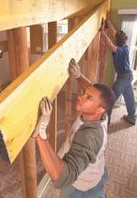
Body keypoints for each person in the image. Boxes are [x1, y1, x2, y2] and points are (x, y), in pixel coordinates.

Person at [33, 59, 116, 198]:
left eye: (88, 97)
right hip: (97, 173)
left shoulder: (89, 136)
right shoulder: (102, 114)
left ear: (99, 110)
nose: (81, 97)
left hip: (83, 187)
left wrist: (41, 132)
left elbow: (62, 178)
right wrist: (79, 76)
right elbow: (92, 89)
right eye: (84, 92)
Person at [100, 17, 136, 125]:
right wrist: (108, 22)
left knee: (110, 98)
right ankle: (131, 117)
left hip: (123, 77)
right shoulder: (125, 46)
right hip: (128, 75)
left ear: (117, 41)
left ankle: (106, 121)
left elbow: (109, 43)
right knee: (129, 97)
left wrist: (102, 32)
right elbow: (115, 33)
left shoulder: (118, 50)